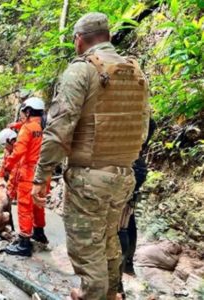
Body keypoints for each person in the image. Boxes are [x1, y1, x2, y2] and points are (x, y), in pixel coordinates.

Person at [31, 12, 150, 300]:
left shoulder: (81, 70)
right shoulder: (135, 71)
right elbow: (143, 126)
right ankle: (111, 293)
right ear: (108, 37)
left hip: (89, 177)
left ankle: (92, 294)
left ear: (79, 40)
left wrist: (41, 176)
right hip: (124, 175)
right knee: (109, 240)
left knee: (86, 248)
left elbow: (59, 128)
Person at [4, 97, 49, 257]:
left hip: (29, 174)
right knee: (38, 205)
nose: (21, 116)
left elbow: (19, 152)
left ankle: (24, 243)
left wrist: (7, 167)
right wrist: (15, 126)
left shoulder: (28, 128)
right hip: (44, 174)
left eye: (23, 113)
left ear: (28, 111)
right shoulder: (44, 127)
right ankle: (39, 233)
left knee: (24, 207)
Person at [118, 118, 156, 296]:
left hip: (128, 165)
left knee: (120, 224)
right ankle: (128, 264)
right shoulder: (148, 121)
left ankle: (117, 281)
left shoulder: (129, 115)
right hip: (138, 164)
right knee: (128, 217)